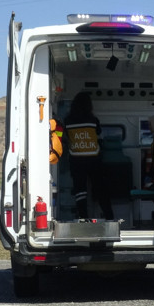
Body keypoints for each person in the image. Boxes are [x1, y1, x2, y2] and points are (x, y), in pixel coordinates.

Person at [64, 92, 114, 220]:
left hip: (76, 159)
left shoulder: (67, 121)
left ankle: (83, 217)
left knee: (80, 190)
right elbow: (98, 134)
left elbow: (65, 138)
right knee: (100, 188)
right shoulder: (93, 120)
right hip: (94, 159)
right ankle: (109, 216)